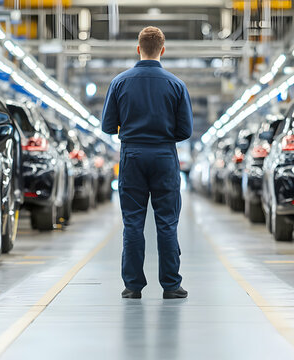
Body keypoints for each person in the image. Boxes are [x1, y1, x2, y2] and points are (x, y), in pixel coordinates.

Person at [102, 26, 193, 299]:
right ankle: (171, 285)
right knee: (166, 222)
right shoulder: (176, 85)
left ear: (137, 48)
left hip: (132, 156)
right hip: (164, 156)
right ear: (163, 50)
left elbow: (108, 126)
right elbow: (185, 131)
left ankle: (132, 286)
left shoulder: (119, 82)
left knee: (132, 223)